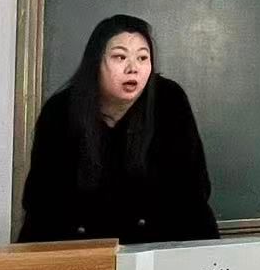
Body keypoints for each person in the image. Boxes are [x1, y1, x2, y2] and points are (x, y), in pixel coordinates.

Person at [17, 13, 220, 245]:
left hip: (161, 243)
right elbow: (42, 202)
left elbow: (192, 191)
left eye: (142, 58)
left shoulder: (169, 100)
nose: (133, 68)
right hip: (83, 247)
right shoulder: (60, 111)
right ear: (96, 62)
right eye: (120, 57)